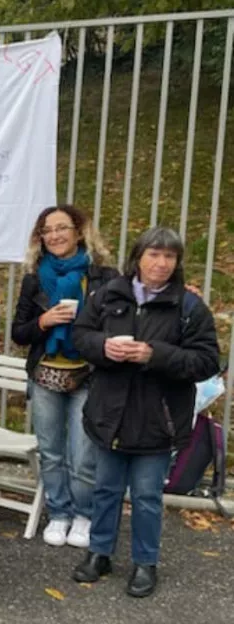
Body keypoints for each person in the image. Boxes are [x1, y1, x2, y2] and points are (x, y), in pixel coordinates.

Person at [70, 227, 220, 598]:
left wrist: (155, 354)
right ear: (138, 258)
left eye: (169, 256)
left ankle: (144, 563)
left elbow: (206, 362)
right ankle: (99, 552)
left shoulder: (189, 307)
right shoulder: (108, 295)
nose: (162, 263)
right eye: (154, 254)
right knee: (104, 489)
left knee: (147, 495)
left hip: (159, 416)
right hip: (110, 412)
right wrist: (105, 346)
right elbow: (80, 336)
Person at [11, 205, 118, 548]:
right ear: (40, 238)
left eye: (62, 228)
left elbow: (117, 324)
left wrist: (83, 317)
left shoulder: (104, 276)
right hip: (45, 375)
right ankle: (59, 513)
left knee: (83, 454)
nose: (55, 235)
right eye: (47, 230)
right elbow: (19, 332)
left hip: (88, 375)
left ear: (79, 232)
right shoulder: (34, 277)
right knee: (51, 452)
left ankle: (84, 516)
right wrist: (44, 323)